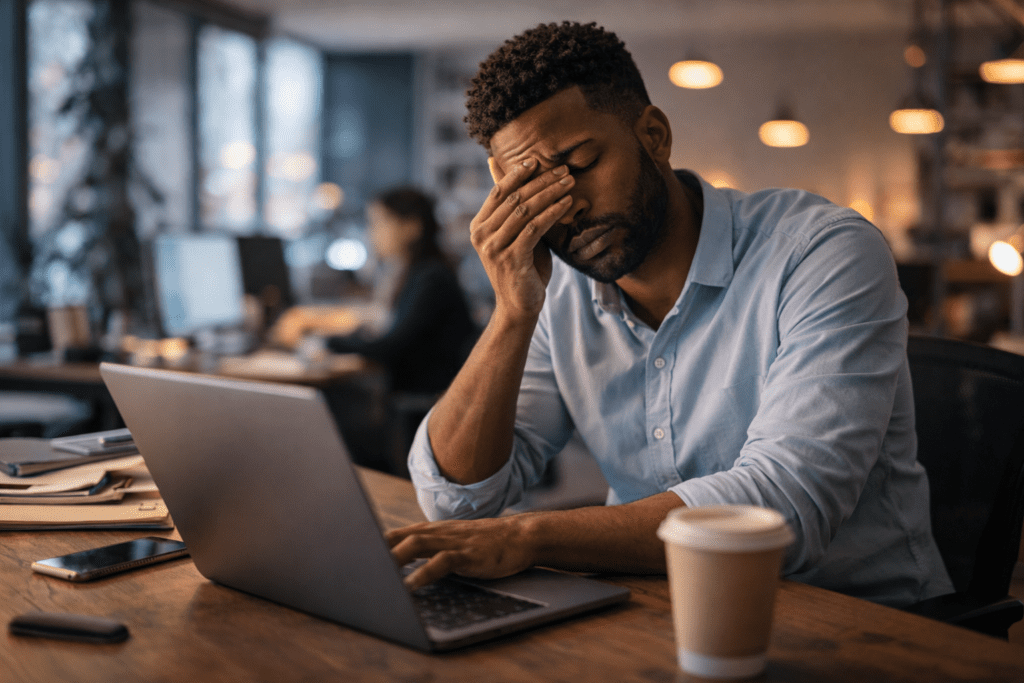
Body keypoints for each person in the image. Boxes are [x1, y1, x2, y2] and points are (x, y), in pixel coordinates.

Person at [387, 21, 953, 608]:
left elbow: (785, 504)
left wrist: (529, 535)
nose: (567, 208)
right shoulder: (559, 293)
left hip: (862, 621)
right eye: (532, 192)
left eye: (580, 163)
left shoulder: (822, 252)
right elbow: (456, 503)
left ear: (654, 135)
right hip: (653, 610)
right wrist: (512, 313)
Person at [323, 188, 478, 394]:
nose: (372, 233)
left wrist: (324, 342)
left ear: (412, 227)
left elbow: (390, 346)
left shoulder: (431, 279)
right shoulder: (412, 273)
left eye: (379, 223)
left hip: (427, 404)